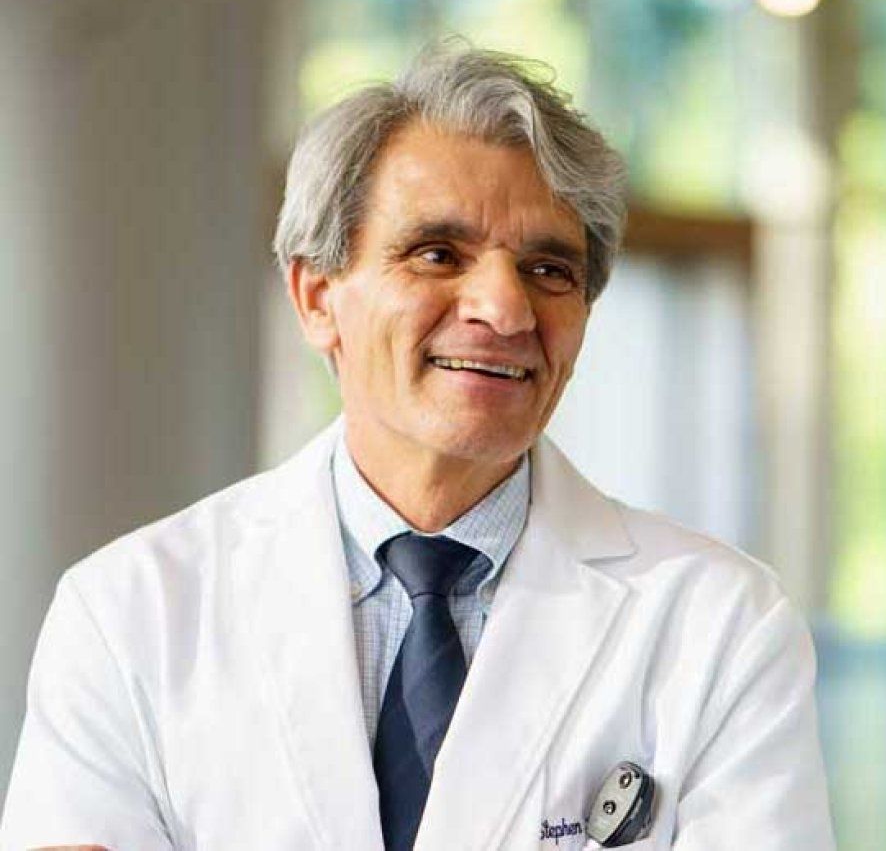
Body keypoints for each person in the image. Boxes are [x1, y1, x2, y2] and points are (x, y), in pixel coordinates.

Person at [0, 41, 835, 851]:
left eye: (549, 271)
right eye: (438, 254)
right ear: (317, 295)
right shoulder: (129, 613)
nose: (505, 313)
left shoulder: (721, 626)